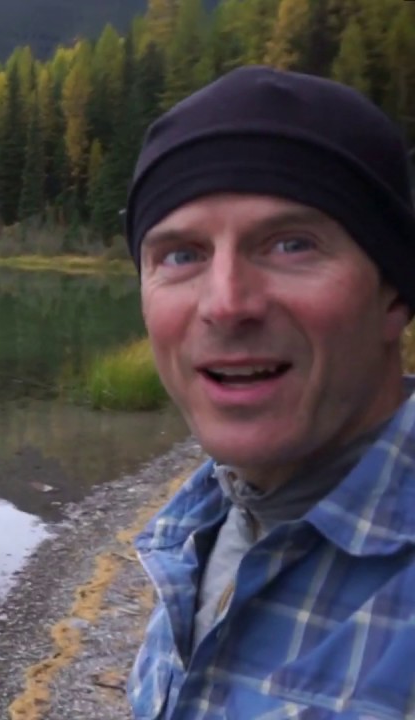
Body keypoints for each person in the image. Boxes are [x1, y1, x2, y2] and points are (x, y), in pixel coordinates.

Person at [122, 64, 415, 719]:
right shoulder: (198, 527)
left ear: (394, 294)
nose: (226, 304)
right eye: (180, 255)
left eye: (290, 244)